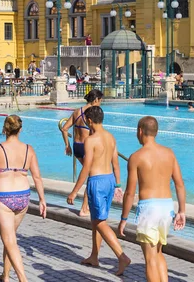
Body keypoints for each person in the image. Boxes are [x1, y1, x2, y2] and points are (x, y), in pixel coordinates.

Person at [0, 115, 47, 282]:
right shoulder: (29, 149)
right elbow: (37, 177)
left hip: (4, 198)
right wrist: (42, 200)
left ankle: (23, 279)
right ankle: (5, 276)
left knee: (10, 240)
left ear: (4, 129)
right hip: (23, 198)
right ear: (20, 130)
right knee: (11, 238)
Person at [118, 116, 186, 282]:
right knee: (158, 253)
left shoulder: (136, 157)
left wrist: (123, 219)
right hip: (166, 208)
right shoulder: (169, 153)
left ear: (140, 131)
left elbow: (129, 192)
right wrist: (181, 211)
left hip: (149, 209)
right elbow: (179, 184)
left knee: (150, 259)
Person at [67, 107, 130, 275]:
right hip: (109, 180)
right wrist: (118, 185)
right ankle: (94, 256)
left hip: (97, 181)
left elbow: (86, 168)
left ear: (89, 121)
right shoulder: (110, 137)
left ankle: (121, 256)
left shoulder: (90, 140)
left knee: (100, 223)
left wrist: (74, 191)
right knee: (97, 220)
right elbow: (116, 163)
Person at [60, 89, 103, 216]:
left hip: (76, 147)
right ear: (95, 100)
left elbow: (64, 129)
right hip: (86, 148)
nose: (100, 104)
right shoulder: (91, 114)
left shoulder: (77, 111)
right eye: (100, 101)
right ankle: (84, 208)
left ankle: (85, 206)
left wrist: (67, 146)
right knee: (92, 177)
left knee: (89, 174)